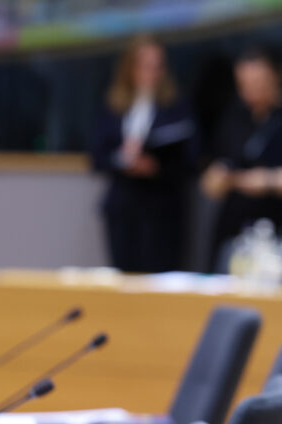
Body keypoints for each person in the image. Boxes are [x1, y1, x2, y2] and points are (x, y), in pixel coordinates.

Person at [201, 45, 282, 277]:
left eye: (258, 82)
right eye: (244, 84)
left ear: (276, 77)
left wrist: (267, 181)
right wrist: (217, 179)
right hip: (238, 235)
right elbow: (213, 175)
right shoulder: (233, 119)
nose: (251, 91)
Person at [91, 34, 197, 273]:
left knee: (159, 280)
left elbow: (191, 159)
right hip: (124, 207)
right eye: (145, 66)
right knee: (124, 279)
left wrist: (156, 167)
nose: (152, 73)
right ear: (130, 68)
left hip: (161, 209)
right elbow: (97, 156)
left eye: (158, 66)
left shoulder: (176, 106)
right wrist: (122, 158)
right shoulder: (114, 105)